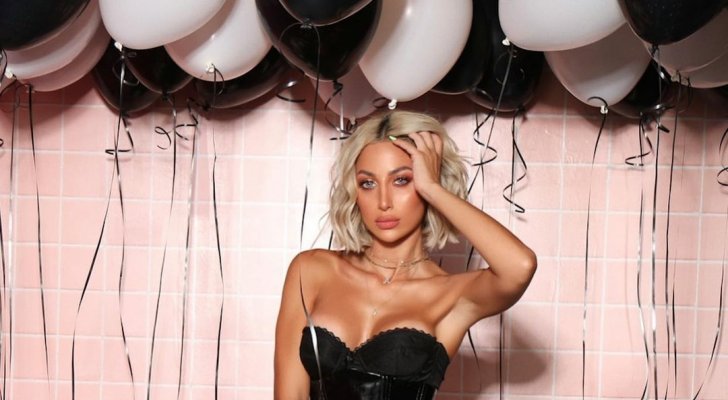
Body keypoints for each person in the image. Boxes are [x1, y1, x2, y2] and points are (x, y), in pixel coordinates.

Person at [274, 110, 537, 399]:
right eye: (368, 183)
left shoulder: (451, 296)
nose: (383, 202)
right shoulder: (311, 270)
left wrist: (432, 189)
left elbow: (520, 266)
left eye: (401, 180)